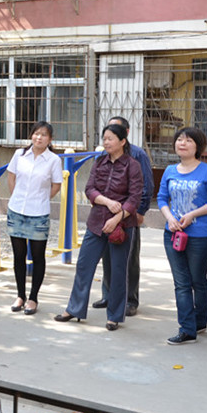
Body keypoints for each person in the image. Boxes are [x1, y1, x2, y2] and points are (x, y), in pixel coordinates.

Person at [54, 123, 143, 331]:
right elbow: (90, 189)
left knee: (119, 271)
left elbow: (134, 198)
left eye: (110, 138)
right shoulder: (100, 161)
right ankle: (74, 309)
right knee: (84, 265)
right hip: (96, 223)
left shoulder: (132, 165)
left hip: (122, 226)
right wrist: (107, 202)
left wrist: (117, 218)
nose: (106, 142)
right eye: (104, 138)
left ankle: (114, 316)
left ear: (122, 141)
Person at [157, 127, 207, 345]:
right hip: (172, 235)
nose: (182, 143)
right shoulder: (170, 170)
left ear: (198, 146)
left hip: (199, 236)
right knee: (182, 283)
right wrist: (169, 218)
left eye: (188, 140)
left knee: (198, 281)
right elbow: (161, 198)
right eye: (179, 139)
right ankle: (187, 329)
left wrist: (193, 214)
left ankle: (200, 321)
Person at [92, 116, 154, 317]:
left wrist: (141, 211)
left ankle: (130, 300)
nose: (108, 138)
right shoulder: (103, 155)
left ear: (125, 134)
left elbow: (146, 185)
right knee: (108, 257)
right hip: (105, 214)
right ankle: (109, 295)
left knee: (128, 259)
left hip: (128, 213)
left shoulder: (137, 154)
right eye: (107, 133)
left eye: (114, 131)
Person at [6, 121, 62, 316]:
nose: (39, 137)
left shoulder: (53, 160)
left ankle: (33, 298)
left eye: (44, 135)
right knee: (18, 255)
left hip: (38, 213)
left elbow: (56, 185)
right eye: (36, 133)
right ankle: (20, 295)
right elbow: (11, 177)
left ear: (50, 139)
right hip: (16, 210)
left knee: (38, 257)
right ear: (31, 135)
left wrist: (41, 198)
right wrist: (16, 196)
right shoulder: (19, 155)